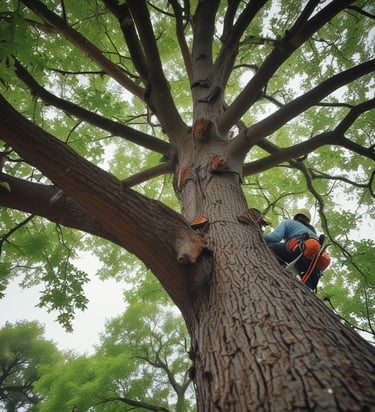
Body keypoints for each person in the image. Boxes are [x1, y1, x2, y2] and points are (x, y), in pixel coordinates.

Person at [263, 209, 322, 290]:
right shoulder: (314, 234)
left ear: (296, 216)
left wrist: (259, 233)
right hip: (311, 266)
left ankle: (278, 263)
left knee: (268, 247)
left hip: (294, 253)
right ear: (308, 221)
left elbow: (274, 238)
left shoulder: (289, 222)